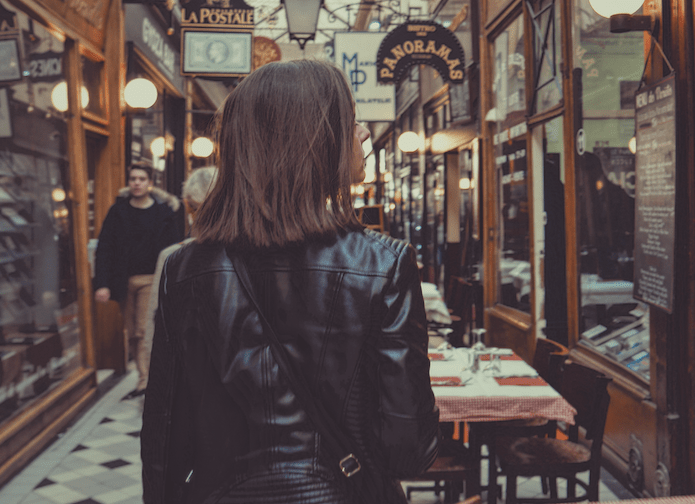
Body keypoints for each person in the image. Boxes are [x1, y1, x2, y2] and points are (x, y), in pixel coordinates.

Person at [142, 59, 439, 504]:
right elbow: (409, 450)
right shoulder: (384, 265)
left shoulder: (184, 270)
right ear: (317, 142)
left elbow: (165, 437)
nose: (362, 134)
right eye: (351, 121)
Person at [93, 163, 181, 399]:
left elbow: (175, 249)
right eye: (133, 178)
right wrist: (101, 283)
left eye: (142, 178)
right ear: (128, 182)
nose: (137, 183)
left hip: (151, 279)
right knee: (132, 332)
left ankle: (146, 382)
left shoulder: (163, 213)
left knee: (144, 329)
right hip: (123, 281)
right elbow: (104, 248)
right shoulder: (118, 211)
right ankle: (145, 377)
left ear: (150, 183)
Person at [138, 166, 219, 386]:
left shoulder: (172, 258)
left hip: (188, 380)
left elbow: (155, 328)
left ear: (188, 206)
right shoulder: (252, 254)